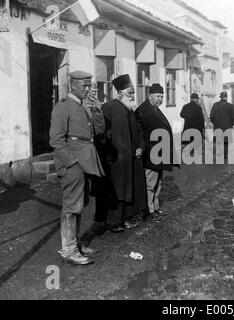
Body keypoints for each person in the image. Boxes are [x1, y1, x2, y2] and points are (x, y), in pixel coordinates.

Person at [49, 70, 105, 265]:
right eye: (85, 85)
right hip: (73, 163)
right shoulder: (63, 106)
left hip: (85, 162)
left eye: (89, 85)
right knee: (72, 206)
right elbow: (56, 140)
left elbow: (98, 131)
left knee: (79, 204)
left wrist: (97, 110)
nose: (88, 89)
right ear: (73, 85)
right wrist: (71, 162)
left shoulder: (83, 107)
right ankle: (69, 249)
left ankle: (75, 243)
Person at [94, 74, 149, 233]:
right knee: (117, 190)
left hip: (132, 157)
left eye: (133, 93)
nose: (132, 96)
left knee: (130, 188)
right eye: (129, 93)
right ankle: (113, 221)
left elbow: (139, 131)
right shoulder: (109, 107)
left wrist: (140, 147)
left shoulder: (132, 109)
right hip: (116, 159)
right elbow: (102, 133)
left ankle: (127, 218)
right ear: (120, 93)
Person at [139, 83, 180, 220]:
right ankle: (148, 211)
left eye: (162, 96)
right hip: (152, 153)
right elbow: (140, 134)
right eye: (158, 96)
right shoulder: (143, 110)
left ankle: (155, 207)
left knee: (158, 182)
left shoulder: (155, 109)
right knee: (150, 183)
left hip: (160, 153)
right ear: (149, 96)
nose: (160, 99)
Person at [210, 91, 234, 159]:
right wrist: (231, 124)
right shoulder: (230, 106)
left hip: (217, 125)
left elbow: (212, 116)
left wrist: (214, 123)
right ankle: (225, 155)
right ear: (226, 97)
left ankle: (219, 153)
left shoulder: (215, 105)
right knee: (226, 141)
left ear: (220, 97)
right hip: (227, 126)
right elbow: (233, 117)